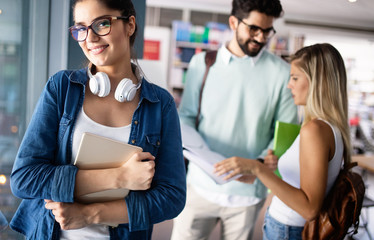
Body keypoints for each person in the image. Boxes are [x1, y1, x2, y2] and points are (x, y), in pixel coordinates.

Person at [9, 0, 186, 239]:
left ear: (130, 25)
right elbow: (24, 179)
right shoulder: (62, 88)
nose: (89, 38)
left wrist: (90, 214)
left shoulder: (160, 104)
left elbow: (171, 198)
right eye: (80, 28)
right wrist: (120, 177)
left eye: (102, 24)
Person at [171, 0, 298, 239]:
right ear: (233, 22)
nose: (261, 38)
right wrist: (200, 154)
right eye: (254, 29)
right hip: (199, 186)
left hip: (247, 195)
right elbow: (186, 116)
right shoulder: (203, 63)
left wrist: (260, 161)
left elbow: (284, 133)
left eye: (267, 31)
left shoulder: (283, 73)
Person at [214, 43, 351, 240]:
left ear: (318, 82)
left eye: (295, 78)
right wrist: (265, 170)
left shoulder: (315, 130)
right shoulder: (326, 127)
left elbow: (309, 208)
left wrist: (257, 168)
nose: (289, 85)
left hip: (288, 230)